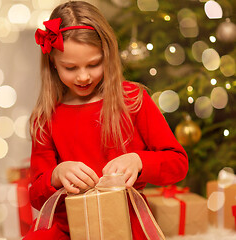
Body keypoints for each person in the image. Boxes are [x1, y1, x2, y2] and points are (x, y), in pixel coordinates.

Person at [24, 1, 188, 239]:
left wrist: (139, 161)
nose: (83, 76)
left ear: (108, 55)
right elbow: (37, 197)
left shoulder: (133, 100)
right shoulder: (46, 117)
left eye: (93, 64)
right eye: (70, 67)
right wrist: (56, 175)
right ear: (53, 64)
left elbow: (177, 164)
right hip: (69, 227)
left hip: (123, 223)